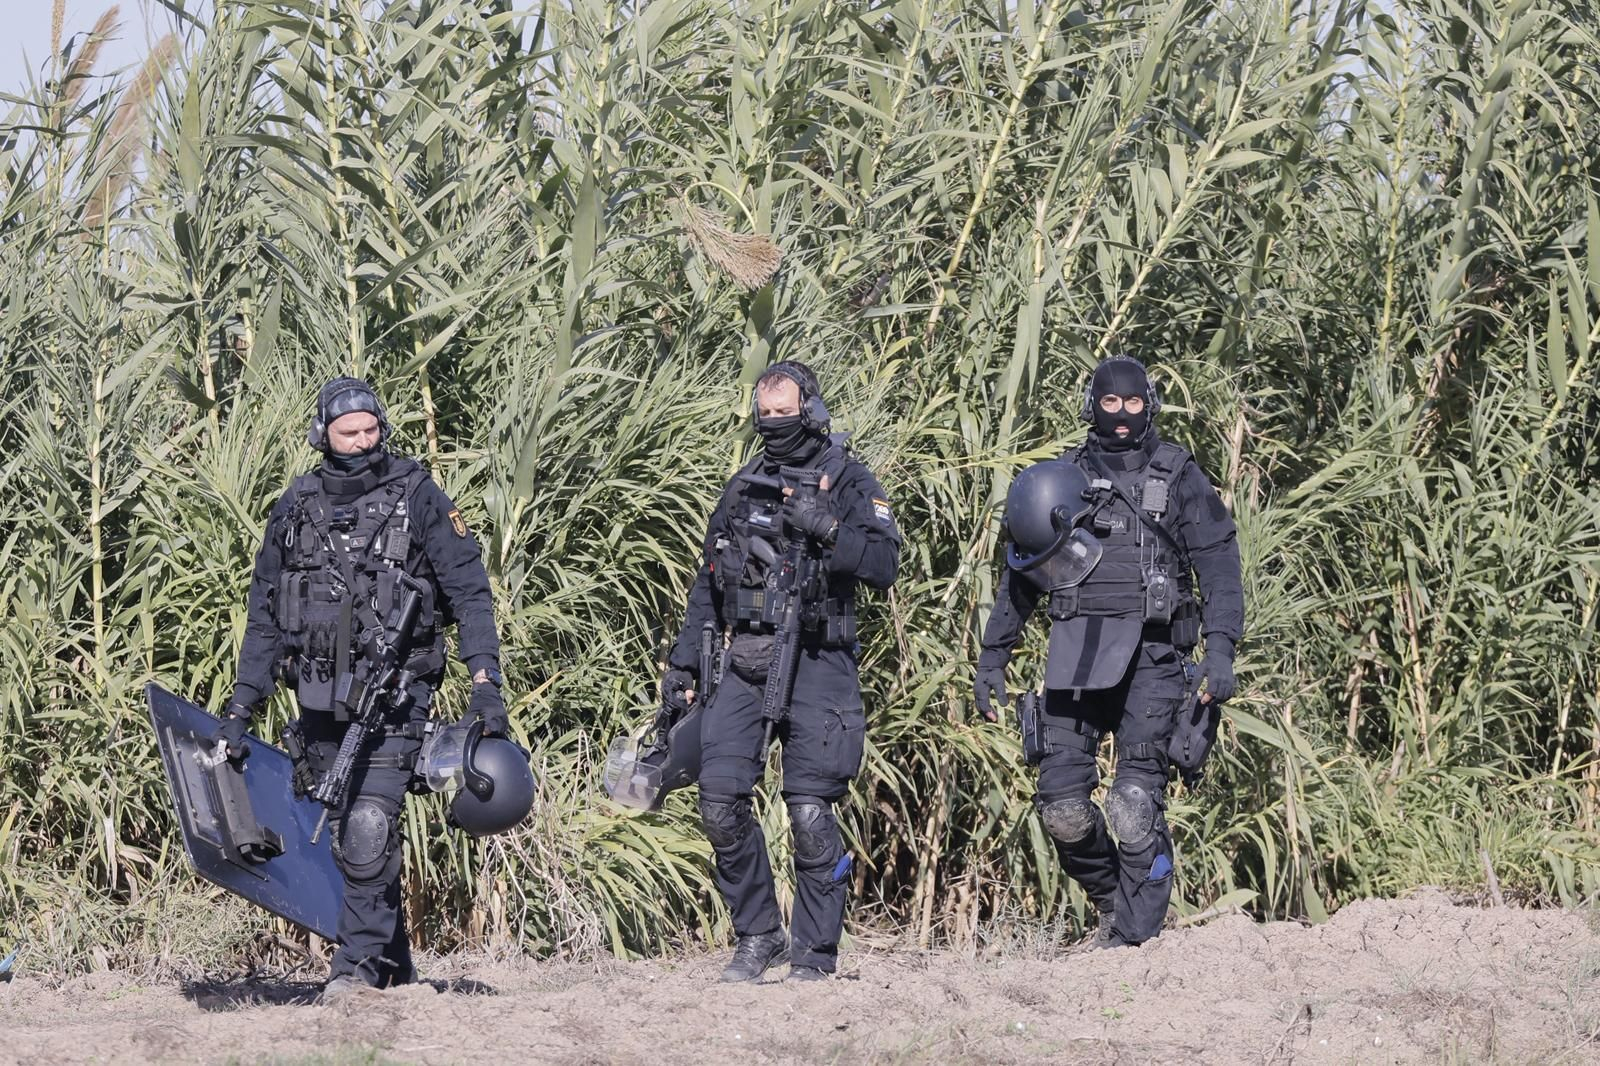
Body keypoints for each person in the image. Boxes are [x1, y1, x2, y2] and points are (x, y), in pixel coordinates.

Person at [217, 377, 509, 1001]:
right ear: (323, 435)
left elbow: (468, 592)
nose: (362, 442)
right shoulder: (295, 509)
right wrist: (243, 704)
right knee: (347, 828)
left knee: (370, 821)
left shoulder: (418, 495)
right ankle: (391, 964)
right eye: (349, 433)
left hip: (398, 694)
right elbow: (265, 615)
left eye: (371, 430)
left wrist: (486, 680)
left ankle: (353, 971)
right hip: (318, 698)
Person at [974, 355, 1244, 949]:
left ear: (1149, 403)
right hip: (1076, 656)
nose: (1122, 417)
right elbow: (1021, 577)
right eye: (1110, 404)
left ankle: (1134, 937)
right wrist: (993, 657)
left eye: (1134, 404)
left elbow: (1220, 563)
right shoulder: (1059, 480)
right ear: (1091, 403)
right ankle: (1111, 902)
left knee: (1132, 804)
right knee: (1063, 811)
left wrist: (1220, 649)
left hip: (1153, 659)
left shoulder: (1178, 475)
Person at [664, 361, 901, 982]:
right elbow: (708, 584)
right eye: (764, 415)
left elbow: (883, 561)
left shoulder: (848, 478)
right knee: (719, 802)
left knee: (810, 814)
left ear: (812, 409)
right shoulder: (743, 484)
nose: (775, 425)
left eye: (785, 413)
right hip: (745, 660)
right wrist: (682, 664)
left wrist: (826, 528)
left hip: (820, 659)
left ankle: (814, 955)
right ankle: (759, 934)